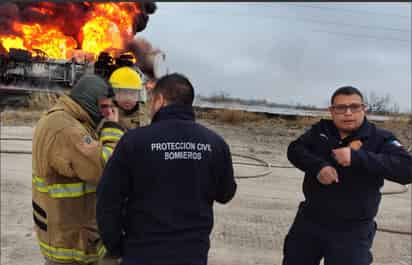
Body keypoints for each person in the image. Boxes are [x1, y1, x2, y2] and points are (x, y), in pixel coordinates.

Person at [96, 73, 237, 265]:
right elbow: (225, 193)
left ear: (160, 100)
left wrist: (115, 246)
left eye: (152, 101)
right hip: (192, 255)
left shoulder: (134, 142)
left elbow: (107, 199)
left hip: (141, 254)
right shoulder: (215, 143)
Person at [282, 86, 412, 265]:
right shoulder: (320, 131)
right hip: (310, 221)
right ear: (332, 111)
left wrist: (358, 157)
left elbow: (407, 169)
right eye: (341, 108)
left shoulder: (379, 138)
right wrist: (318, 167)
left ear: (363, 109)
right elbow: (295, 150)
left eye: (354, 107)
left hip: (353, 229)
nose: (348, 113)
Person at [32, 74, 126, 265]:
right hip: (71, 245)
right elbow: (106, 168)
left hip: (68, 233)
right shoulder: (65, 128)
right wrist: (112, 128)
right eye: (105, 108)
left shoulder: (65, 119)